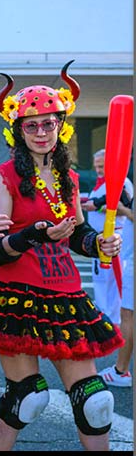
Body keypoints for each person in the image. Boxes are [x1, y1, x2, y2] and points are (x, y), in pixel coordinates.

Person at [0, 63, 124, 451]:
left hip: (66, 295)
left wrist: (98, 244)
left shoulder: (69, 178)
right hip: (15, 295)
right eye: (32, 125)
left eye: (48, 124)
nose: (42, 133)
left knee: (96, 402)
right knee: (28, 398)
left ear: (61, 126)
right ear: (18, 130)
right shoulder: (4, 176)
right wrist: (33, 234)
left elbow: (77, 233)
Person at [82, 148, 134, 387]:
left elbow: (121, 207)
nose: (98, 169)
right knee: (106, 288)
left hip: (117, 245)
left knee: (120, 298)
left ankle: (108, 329)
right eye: (97, 164)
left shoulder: (122, 182)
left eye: (103, 164)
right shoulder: (103, 182)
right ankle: (106, 325)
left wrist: (101, 205)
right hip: (101, 242)